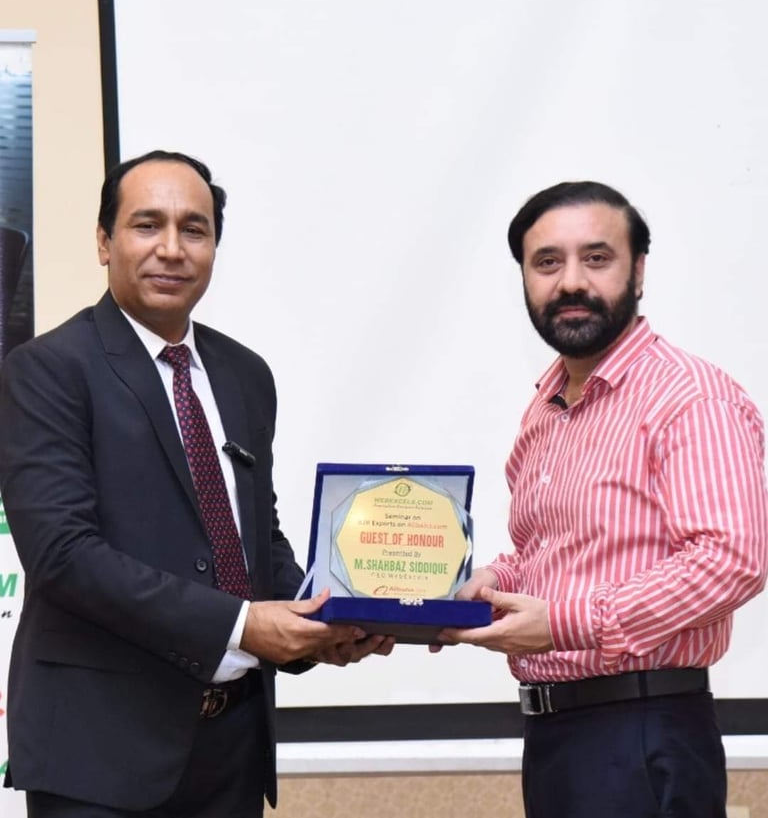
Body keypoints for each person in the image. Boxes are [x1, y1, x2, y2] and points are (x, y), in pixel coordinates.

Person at [0, 150, 394, 818]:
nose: (172, 249)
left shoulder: (245, 374)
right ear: (104, 241)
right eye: (146, 225)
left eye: (194, 229)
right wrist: (245, 625)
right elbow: (63, 556)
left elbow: (254, 540)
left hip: (231, 749)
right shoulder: (47, 370)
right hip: (100, 757)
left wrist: (327, 616)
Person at [436, 181, 768, 818]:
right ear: (525, 278)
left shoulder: (690, 396)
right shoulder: (546, 408)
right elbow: (549, 552)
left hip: (643, 731)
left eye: (596, 258)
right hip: (557, 738)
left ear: (638, 272)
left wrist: (564, 623)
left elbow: (730, 561)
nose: (570, 282)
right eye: (547, 262)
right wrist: (484, 585)